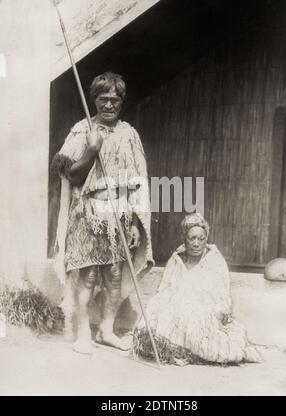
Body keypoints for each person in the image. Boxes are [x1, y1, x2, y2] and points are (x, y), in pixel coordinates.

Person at [51, 72, 153, 354]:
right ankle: (84, 333)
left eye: (115, 100)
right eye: (103, 99)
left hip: (119, 214)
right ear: (94, 100)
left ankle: (106, 329)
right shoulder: (82, 130)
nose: (109, 105)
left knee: (114, 276)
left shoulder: (128, 134)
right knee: (88, 277)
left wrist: (133, 221)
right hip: (87, 213)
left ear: (121, 101)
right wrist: (92, 150)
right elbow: (70, 174)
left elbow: (136, 181)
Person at [133, 213, 262, 365]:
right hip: (177, 308)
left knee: (197, 322)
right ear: (184, 238)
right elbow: (164, 289)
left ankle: (191, 348)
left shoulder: (215, 261)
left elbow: (222, 296)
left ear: (206, 239)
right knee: (157, 307)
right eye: (191, 238)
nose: (196, 244)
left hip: (205, 309)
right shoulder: (177, 260)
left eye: (201, 239)